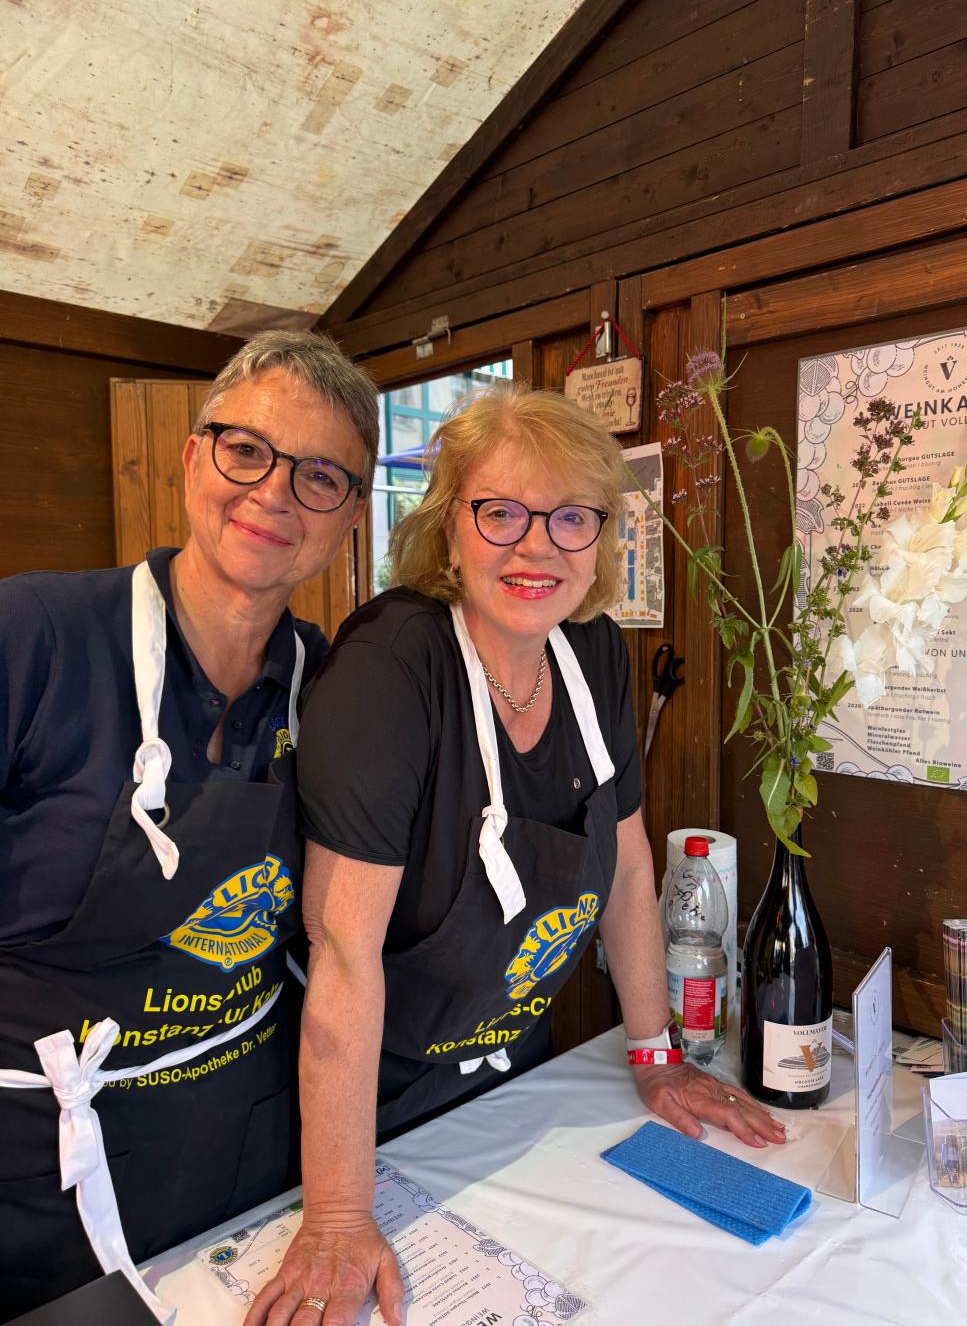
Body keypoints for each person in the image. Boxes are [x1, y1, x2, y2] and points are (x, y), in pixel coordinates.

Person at [249, 386, 786, 1326]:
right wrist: (337, 1215)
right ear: (449, 527)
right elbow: (342, 949)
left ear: (603, 538)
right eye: (500, 512)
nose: (537, 547)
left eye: (571, 516)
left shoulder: (595, 653)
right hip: (375, 1104)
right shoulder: (391, 667)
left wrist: (656, 1054)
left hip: (515, 1073)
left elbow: (626, 867)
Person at [0, 330, 379, 1321]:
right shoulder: (32, 638)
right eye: (246, 450)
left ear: (350, 516)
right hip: (40, 1178)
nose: (273, 493)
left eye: (320, 476)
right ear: (190, 457)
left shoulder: (329, 684)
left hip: (249, 1159)